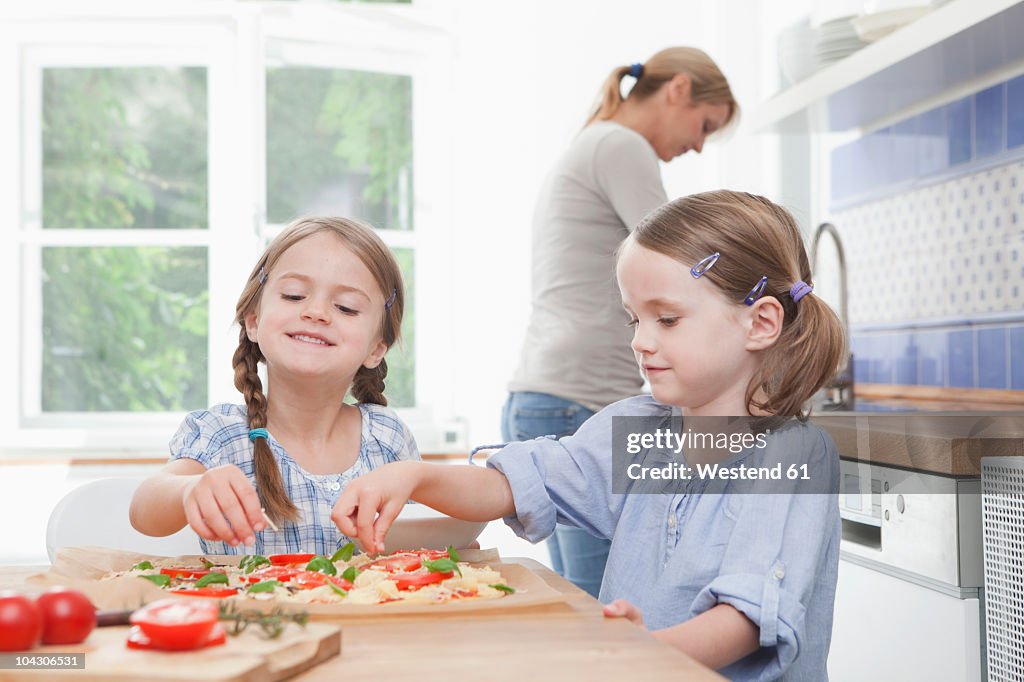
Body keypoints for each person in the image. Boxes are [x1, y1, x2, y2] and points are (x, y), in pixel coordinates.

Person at [335, 191, 846, 680]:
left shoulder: (795, 455)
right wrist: (416, 475)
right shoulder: (637, 430)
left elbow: (747, 619)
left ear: (761, 323)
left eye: (667, 319)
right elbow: (514, 484)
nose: (641, 342)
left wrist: (642, 651)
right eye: (635, 319)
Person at [505, 47, 739, 597]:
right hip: (578, 398)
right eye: (705, 125)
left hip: (546, 390)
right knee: (612, 608)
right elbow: (685, 260)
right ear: (678, 89)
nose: (700, 145)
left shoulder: (594, 142)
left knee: (585, 604)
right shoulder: (622, 145)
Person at [130, 217, 419, 556]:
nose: (316, 312)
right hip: (253, 610)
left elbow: (421, 533)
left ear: (376, 349)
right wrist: (190, 490)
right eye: (294, 295)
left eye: (346, 307)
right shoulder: (222, 435)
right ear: (253, 321)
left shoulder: (387, 439)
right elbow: (143, 509)